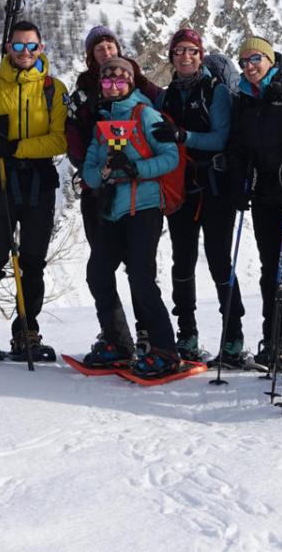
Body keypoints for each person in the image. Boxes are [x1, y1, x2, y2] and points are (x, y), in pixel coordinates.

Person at [0, 18, 68, 361]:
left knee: (33, 262)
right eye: (18, 45)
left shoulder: (53, 89)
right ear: (8, 48)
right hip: (0, 180)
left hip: (38, 182)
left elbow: (60, 139)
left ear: (41, 47)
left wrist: (15, 146)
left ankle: (27, 330)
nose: (24, 52)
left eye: (31, 45)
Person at [79, 56, 185, 378]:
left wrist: (135, 169)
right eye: (108, 81)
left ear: (131, 83)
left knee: (140, 277)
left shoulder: (145, 114)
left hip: (144, 208)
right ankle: (118, 342)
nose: (113, 86)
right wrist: (106, 173)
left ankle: (165, 349)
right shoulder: (103, 122)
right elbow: (89, 172)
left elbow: (171, 156)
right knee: (98, 273)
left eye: (120, 80)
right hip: (113, 210)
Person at [64, 25, 160, 347]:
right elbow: (74, 139)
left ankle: (148, 333)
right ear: (90, 56)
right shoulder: (82, 95)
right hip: (100, 193)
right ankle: (116, 334)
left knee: (139, 267)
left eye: (109, 45)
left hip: (137, 195)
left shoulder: (141, 91)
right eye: (98, 47)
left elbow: (165, 128)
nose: (105, 51)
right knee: (101, 266)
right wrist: (95, 171)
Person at [227, 35, 282, 368]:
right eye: (244, 62)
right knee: (273, 271)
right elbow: (238, 145)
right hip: (265, 195)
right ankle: (275, 338)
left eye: (255, 60)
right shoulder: (245, 99)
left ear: (269, 59)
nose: (249, 67)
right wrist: (239, 181)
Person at [151, 27, 235, 364]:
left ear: (201, 56)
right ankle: (187, 334)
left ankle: (232, 337)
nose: (185, 57)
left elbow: (220, 138)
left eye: (192, 51)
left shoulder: (216, 92)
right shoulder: (166, 96)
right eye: (179, 51)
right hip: (180, 189)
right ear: (171, 57)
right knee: (182, 262)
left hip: (214, 186)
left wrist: (182, 136)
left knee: (218, 261)